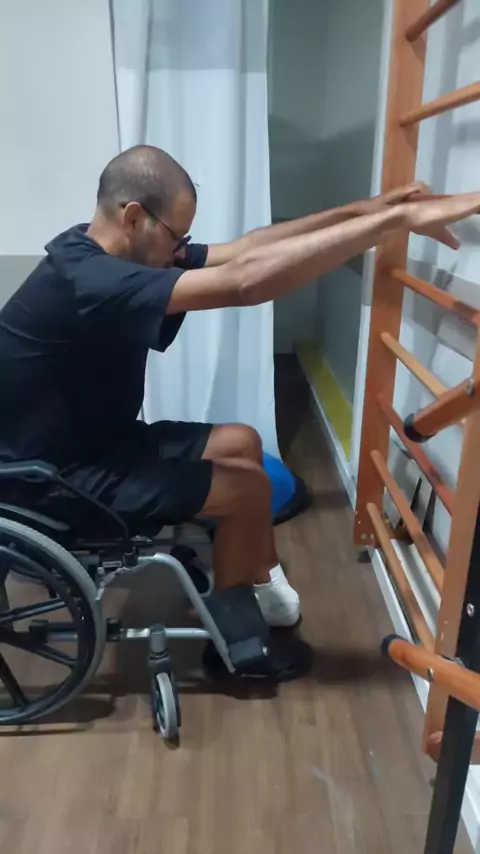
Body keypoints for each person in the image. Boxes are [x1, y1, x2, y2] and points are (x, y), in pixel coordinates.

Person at [0, 146, 478, 679]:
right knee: (249, 488)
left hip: (98, 444)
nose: (182, 250)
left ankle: (258, 576)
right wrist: (397, 223)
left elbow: (246, 249)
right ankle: (235, 649)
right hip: (57, 481)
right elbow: (246, 280)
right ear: (133, 217)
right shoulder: (92, 282)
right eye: (176, 237)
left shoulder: (100, 252)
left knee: (242, 441)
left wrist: (368, 210)